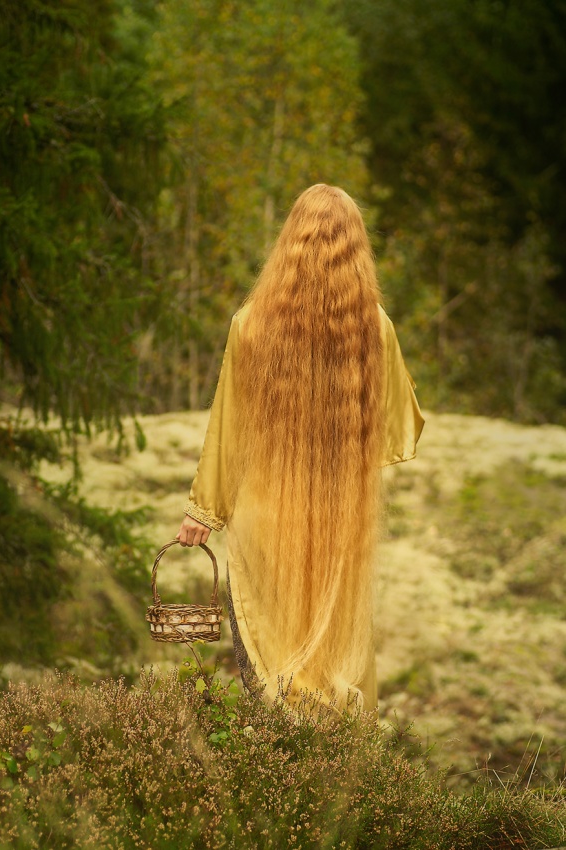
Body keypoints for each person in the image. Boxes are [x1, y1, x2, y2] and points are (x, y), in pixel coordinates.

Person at [176, 184, 424, 714]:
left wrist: (203, 510)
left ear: (289, 243)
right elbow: (396, 425)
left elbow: (227, 427)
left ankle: (277, 784)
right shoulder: (375, 330)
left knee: (267, 676)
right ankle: (332, 785)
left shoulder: (250, 326)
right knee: (334, 660)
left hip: (263, 524)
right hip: (340, 524)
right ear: (358, 249)